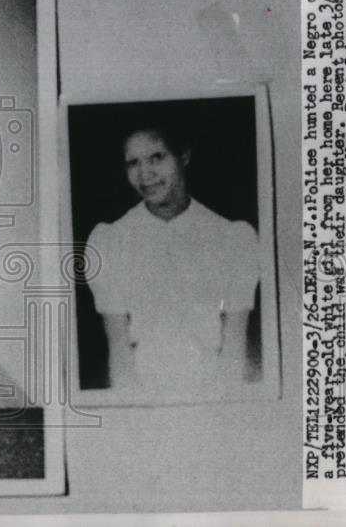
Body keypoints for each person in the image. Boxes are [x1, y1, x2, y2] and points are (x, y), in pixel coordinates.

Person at [83, 121, 260, 397]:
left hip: (214, 395)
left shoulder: (232, 237)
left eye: (157, 157)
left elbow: (235, 345)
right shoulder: (111, 239)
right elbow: (119, 350)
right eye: (133, 163)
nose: (145, 174)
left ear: (184, 156)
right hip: (143, 398)